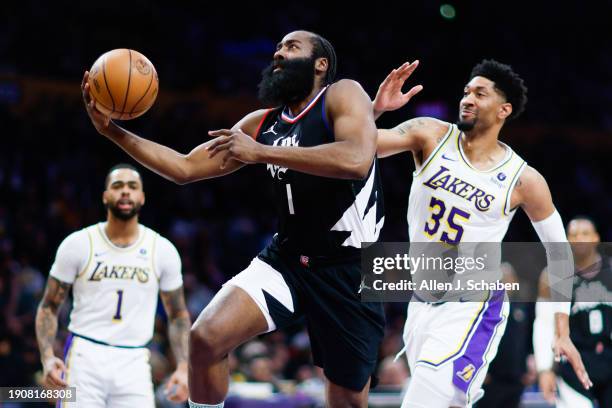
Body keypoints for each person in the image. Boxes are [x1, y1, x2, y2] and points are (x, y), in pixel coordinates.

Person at [82, 30, 385, 408]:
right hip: (289, 259)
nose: (279, 53)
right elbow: (184, 167)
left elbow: (355, 161)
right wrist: (112, 131)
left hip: (350, 269)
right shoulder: (262, 123)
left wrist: (261, 153)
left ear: (320, 64)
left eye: (292, 47)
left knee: (346, 401)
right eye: (277, 47)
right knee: (206, 338)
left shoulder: (342, 95)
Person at [373, 59, 591, 407]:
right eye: (466, 91)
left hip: (473, 305)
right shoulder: (430, 134)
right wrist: (374, 110)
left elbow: (559, 251)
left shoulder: (523, 179)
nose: (467, 98)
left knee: (422, 400)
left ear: (504, 109)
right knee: (445, 401)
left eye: (480, 93)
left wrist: (561, 331)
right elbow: (356, 151)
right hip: (422, 302)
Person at [35, 163, 190, 407]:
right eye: (117, 186)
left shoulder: (162, 250)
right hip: (84, 356)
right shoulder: (78, 244)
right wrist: (46, 357)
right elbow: (48, 306)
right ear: (106, 196)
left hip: (135, 360)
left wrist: (183, 366)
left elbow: (179, 315)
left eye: (133, 186)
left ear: (142, 197)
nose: (125, 191)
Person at [534, 216, 612, 408]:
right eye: (573, 234)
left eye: (585, 233)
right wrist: (544, 369)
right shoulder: (551, 277)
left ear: (595, 238)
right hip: (572, 363)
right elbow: (543, 324)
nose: (579, 238)